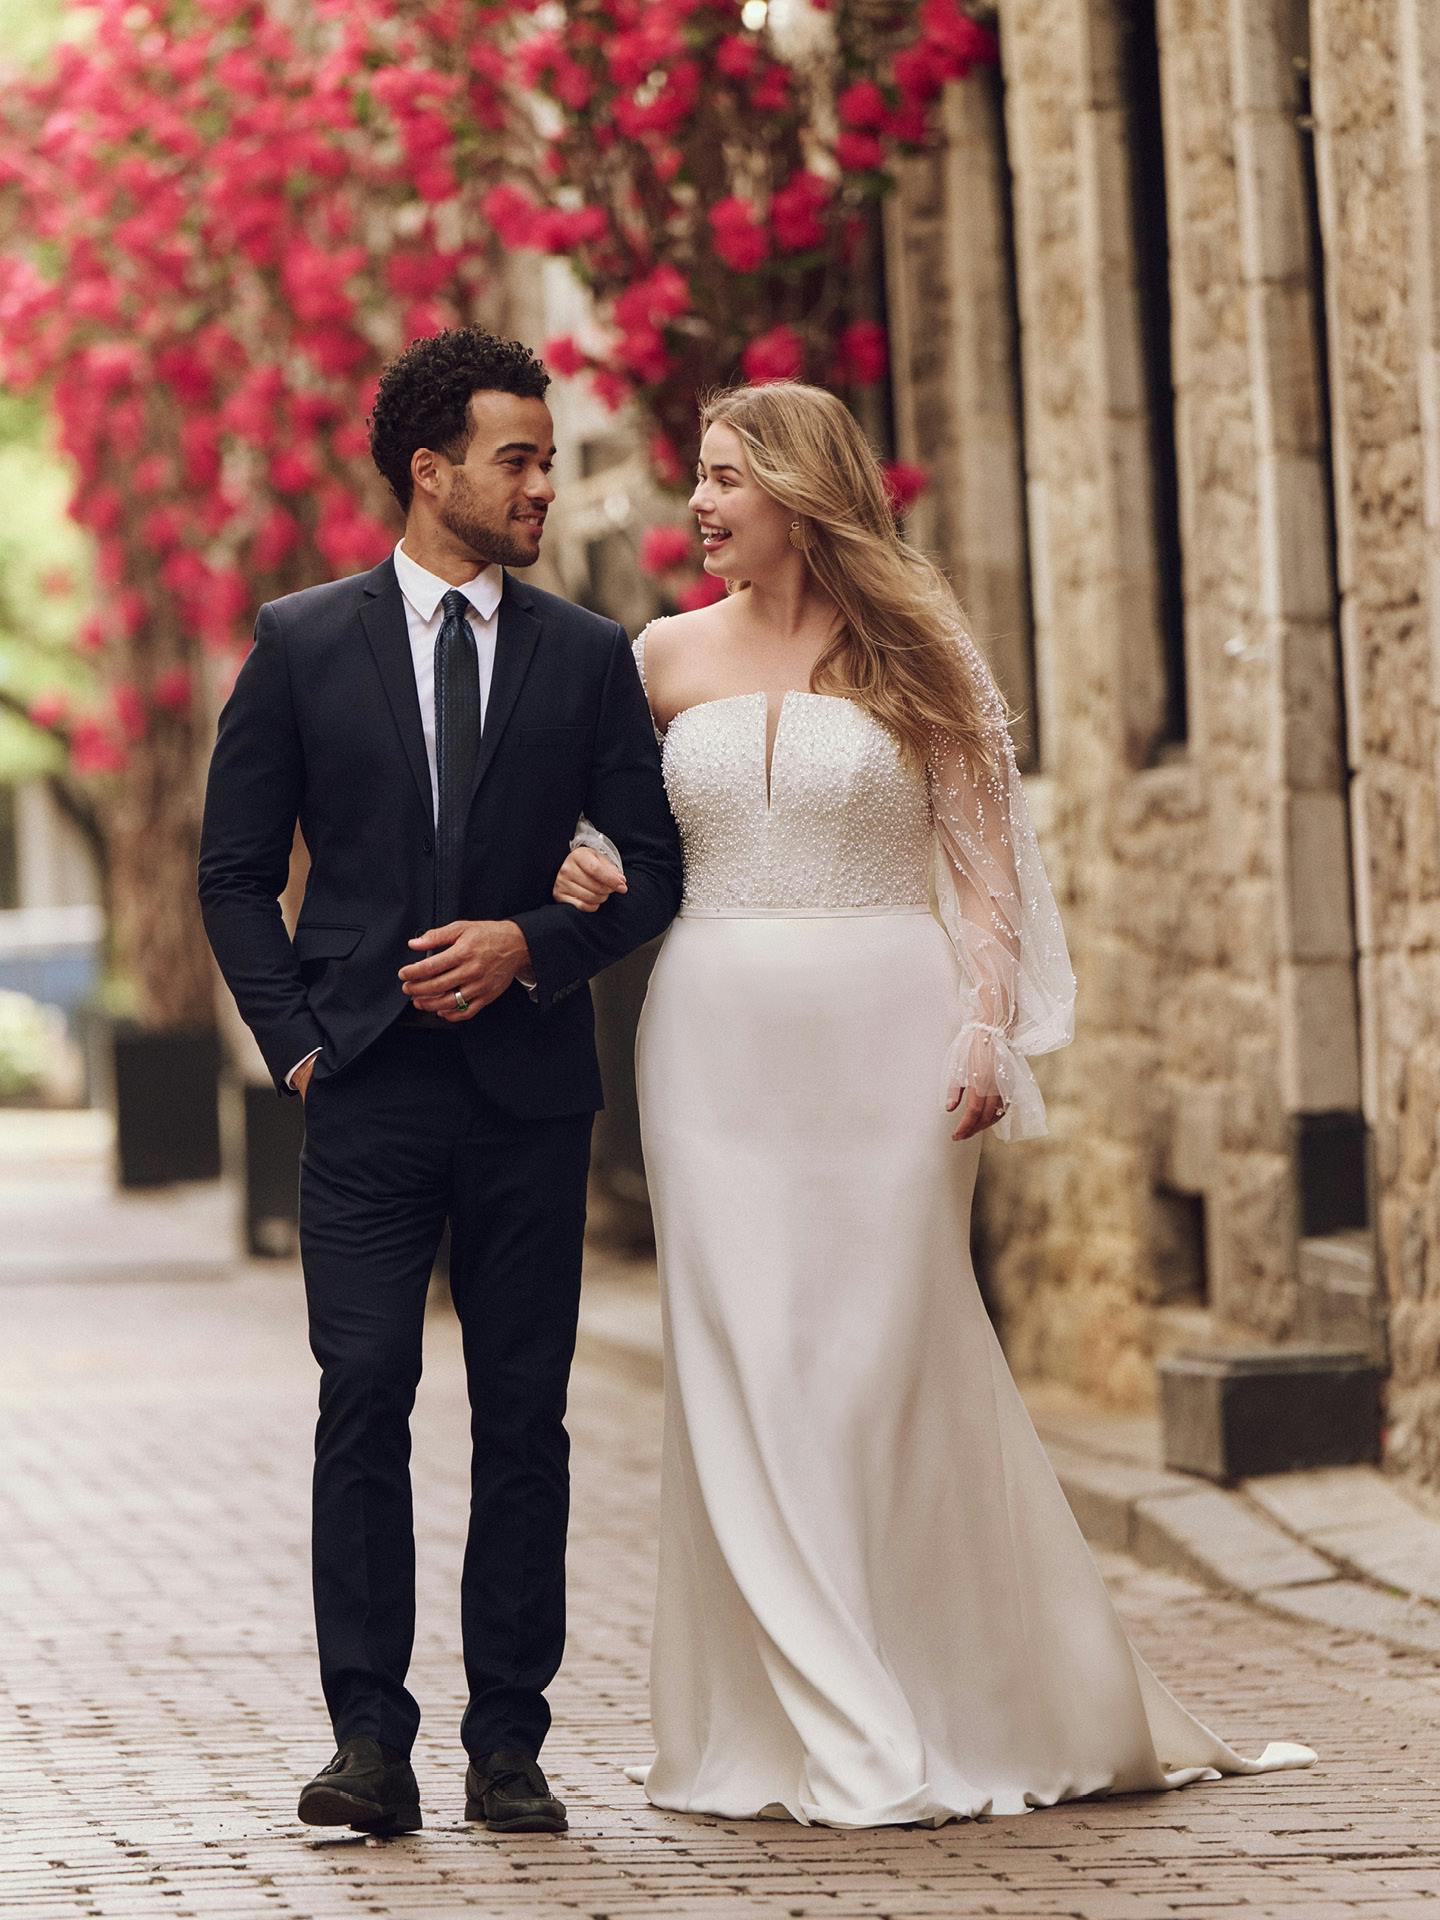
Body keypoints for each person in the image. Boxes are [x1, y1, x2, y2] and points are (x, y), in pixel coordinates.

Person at [552, 380, 1316, 1828]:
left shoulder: (917, 649)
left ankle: (959, 1689)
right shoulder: (653, 656)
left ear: (795, 486)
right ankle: (828, 1729)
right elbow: (609, 833)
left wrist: (986, 1027)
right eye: (698, 480)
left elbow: (985, 869)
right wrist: (580, 860)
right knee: (748, 1367)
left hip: (893, 1040)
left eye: (722, 479)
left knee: (878, 1365)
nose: (698, 507)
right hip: (710, 1047)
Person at [198, 329, 682, 1836]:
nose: (541, 483)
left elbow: (652, 870)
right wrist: (291, 1039)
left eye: (545, 458)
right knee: (366, 1397)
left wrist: (529, 943)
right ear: (432, 470)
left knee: (523, 1411)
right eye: (517, 458)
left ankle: (509, 1745)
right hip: (363, 1088)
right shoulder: (300, 642)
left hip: (534, 1093)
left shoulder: (593, 659)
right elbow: (229, 874)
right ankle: (368, 1740)